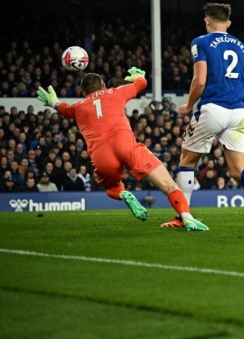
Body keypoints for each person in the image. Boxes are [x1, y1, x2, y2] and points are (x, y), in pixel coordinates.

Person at [36, 68, 208, 231]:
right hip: (125, 145)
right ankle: (186, 217)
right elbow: (141, 84)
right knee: (169, 185)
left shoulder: (78, 107)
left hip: (101, 155)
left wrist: (53, 102)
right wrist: (137, 76)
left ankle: (124, 194)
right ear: (103, 85)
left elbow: (63, 108)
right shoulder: (115, 92)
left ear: (83, 93)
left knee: (112, 186)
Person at [168, 2, 244, 227]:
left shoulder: (201, 42)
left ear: (207, 21)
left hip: (213, 108)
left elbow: (200, 80)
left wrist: (188, 105)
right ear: (229, 22)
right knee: (238, 170)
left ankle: (182, 217)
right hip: (238, 112)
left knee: (187, 161)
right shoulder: (242, 47)